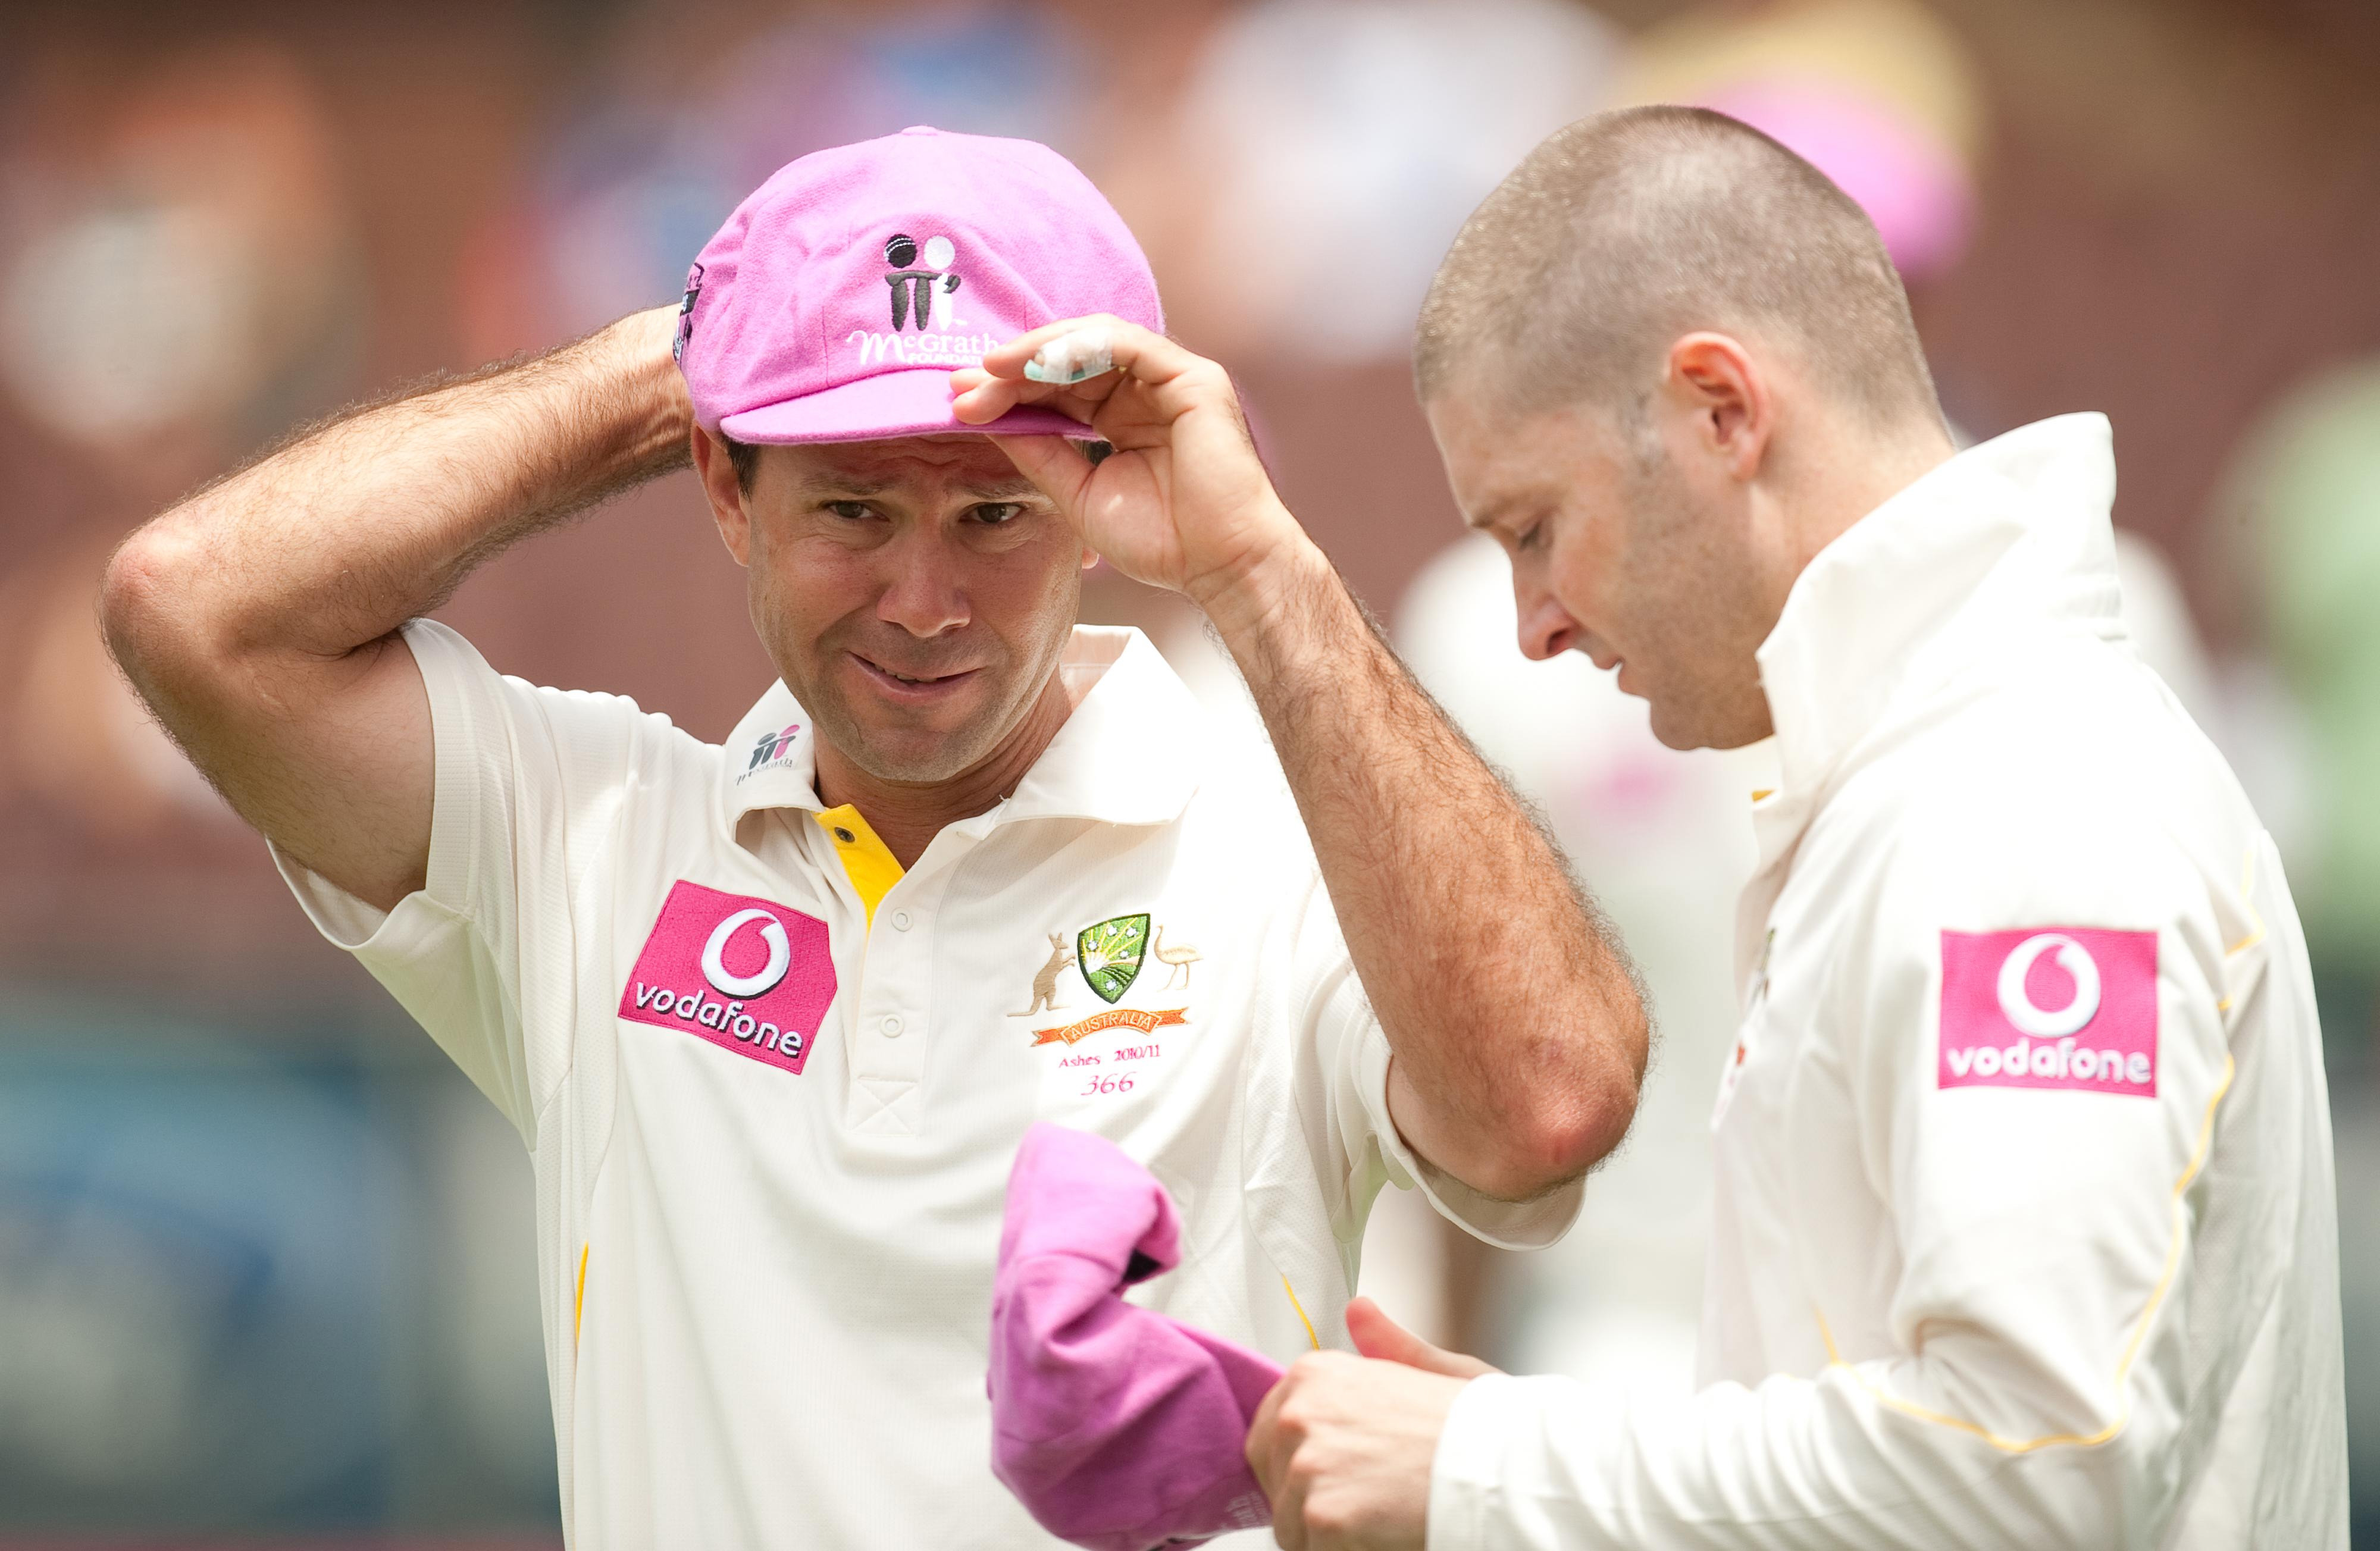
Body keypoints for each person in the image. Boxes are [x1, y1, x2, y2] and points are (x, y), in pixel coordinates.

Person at [99, 127, 1648, 1547]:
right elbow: (198, 606)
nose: (923, 605)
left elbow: (1548, 1114)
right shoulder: (591, 839)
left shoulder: (1291, 861)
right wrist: (710, 351)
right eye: (851, 509)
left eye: (993, 516)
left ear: (1100, 500)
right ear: (725, 486)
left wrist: (1256, 565)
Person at [1238, 105, 2347, 1549]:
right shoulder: (1919, 765)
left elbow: (2036, 1458)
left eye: (1530, 527)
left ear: (1719, 407)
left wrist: (1500, 1457)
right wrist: (1540, 1449)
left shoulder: (2020, 791)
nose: (1529, 627)